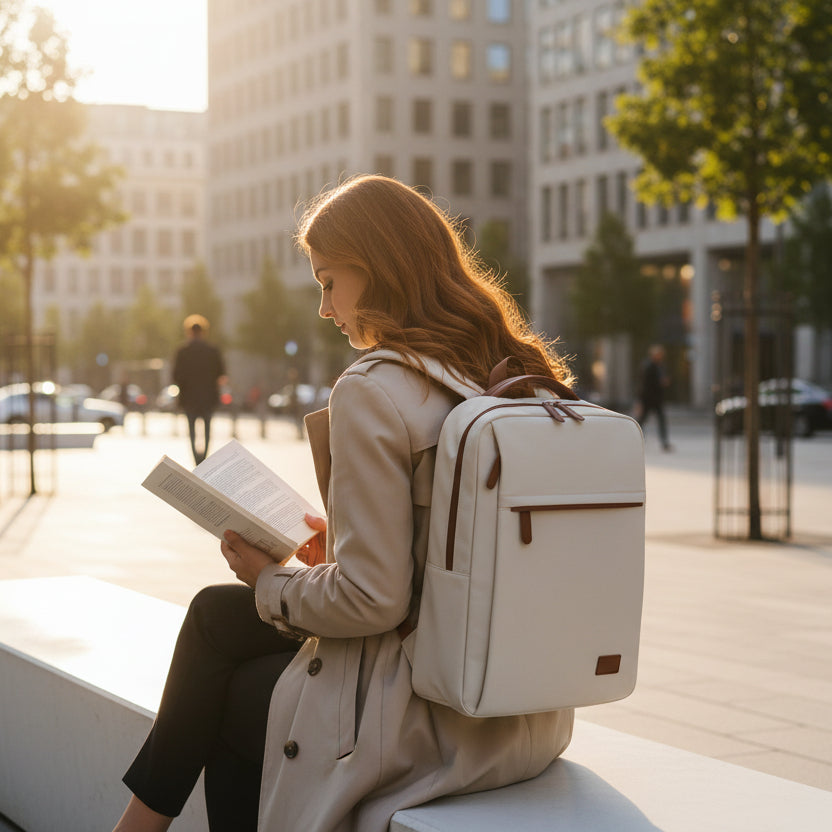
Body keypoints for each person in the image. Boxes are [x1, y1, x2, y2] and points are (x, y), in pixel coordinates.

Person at [112, 175, 575, 832]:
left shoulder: (375, 387)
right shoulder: (509, 372)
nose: (325, 309)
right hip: (521, 711)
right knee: (217, 616)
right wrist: (344, 549)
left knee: (229, 690)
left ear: (380, 269)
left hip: (428, 722)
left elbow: (373, 602)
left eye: (329, 282)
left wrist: (269, 579)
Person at [172, 315, 227, 465]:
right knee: (208, 429)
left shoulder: (182, 351)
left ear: (188, 332)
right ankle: (205, 458)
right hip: (208, 397)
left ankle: (196, 459)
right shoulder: (212, 351)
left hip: (189, 398)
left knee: (191, 430)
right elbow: (221, 375)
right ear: (204, 332)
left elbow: (176, 376)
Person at [638, 344, 673, 451]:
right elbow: (645, 383)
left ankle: (664, 442)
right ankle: (636, 439)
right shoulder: (648, 366)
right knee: (641, 421)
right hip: (648, 398)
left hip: (657, 399)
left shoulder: (660, 366)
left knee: (661, 420)